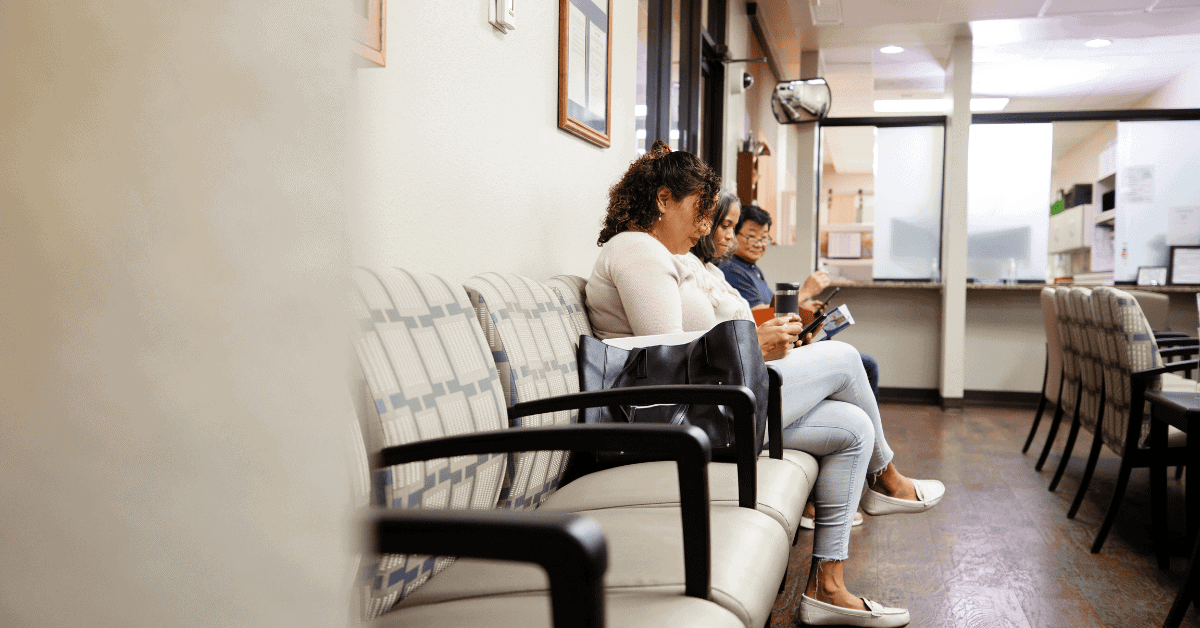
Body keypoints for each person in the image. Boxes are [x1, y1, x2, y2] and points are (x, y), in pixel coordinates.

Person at [586, 141, 944, 628]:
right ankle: (886, 477)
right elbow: (665, 356)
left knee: (853, 426)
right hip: (683, 415)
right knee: (841, 358)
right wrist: (754, 343)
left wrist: (761, 340)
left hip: (714, 402)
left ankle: (828, 588)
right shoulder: (636, 249)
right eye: (699, 213)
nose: (706, 228)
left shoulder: (676, 257)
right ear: (664, 198)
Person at [717, 206, 882, 399]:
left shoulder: (753, 270)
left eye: (764, 238)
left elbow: (772, 312)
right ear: (734, 234)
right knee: (867, 365)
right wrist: (805, 292)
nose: (759, 244)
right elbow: (757, 317)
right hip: (770, 356)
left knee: (860, 361)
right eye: (752, 236)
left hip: (785, 347)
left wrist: (804, 311)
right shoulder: (731, 270)